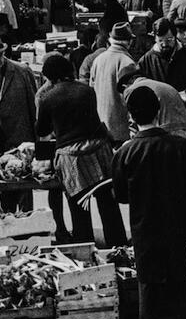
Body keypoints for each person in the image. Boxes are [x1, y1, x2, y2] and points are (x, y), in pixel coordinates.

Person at [112, 82, 186, 319]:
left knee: (149, 289)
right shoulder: (181, 146)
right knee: (181, 284)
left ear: (131, 116)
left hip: (145, 228)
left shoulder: (125, 153)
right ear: (159, 111)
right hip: (180, 227)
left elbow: (122, 196)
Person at [35, 53, 128, 247]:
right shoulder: (87, 90)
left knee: (79, 206)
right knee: (107, 202)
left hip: (71, 158)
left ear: (50, 77)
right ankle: (118, 245)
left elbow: (42, 130)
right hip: (99, 151)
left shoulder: (47, 98)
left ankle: (84, 246)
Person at [89, 22, 138, 146]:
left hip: (101, 127)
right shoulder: (127, 63)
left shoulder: (98, 60)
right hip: (121, 130)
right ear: (129, 41)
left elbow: (92, 90)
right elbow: (131, 99)